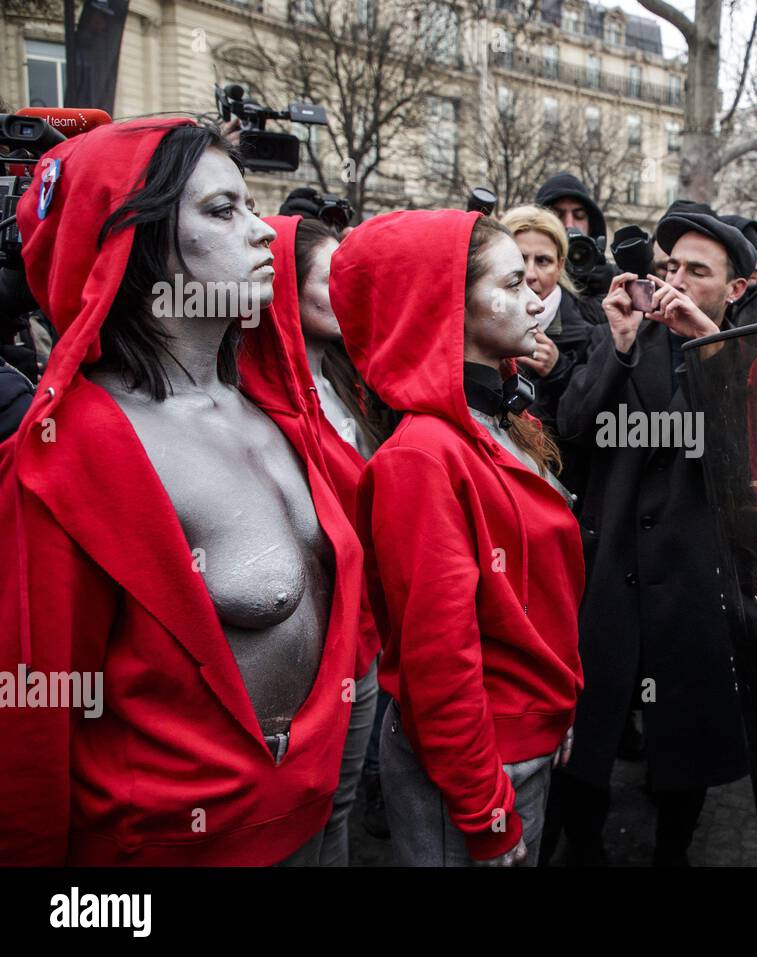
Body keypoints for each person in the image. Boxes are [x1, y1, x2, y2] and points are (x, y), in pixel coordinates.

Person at [0, 118, 364, 864]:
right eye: (222, 211)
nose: (266, 233)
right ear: (130, 243)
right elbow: (30, 728)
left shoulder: (275, 408)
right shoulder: (66, 457)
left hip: (316, 824)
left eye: (251, 204)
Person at [330, 209, 583, 866]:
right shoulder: (423, 456)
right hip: (477, 769)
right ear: (446, 303)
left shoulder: (501, 416)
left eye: (533, 277)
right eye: (510, 282)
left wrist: (556, 708)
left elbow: (534, 600)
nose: (536, 298)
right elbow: (438, 658)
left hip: (520, 744)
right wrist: (482, 805)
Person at [545, 209, 756, 866]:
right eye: (668, 268)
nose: (676, 283)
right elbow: (573, 424)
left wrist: (713, 345)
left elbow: (747, 461)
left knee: (684, 748)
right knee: (587, 742)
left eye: (698, 271)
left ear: (736, 287)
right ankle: (584, 847)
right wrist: (621, 344)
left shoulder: (752, 353)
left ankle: (672, 852)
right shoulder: (624, 336)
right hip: (608, 573)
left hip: (691, 579)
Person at [254, 213, 382, 865]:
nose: (345, 290)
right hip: (307, 656)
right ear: (280, 286)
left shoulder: (345, 380)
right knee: (308, 819)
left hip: (362, 644)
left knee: (343, 805)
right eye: (328, 278)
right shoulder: (259, 407)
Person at [499, 204, 601, 502]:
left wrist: (559, 372)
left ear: (560, 265)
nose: (530, 274)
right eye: (519, 259)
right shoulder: (478, 325)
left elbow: (591, 429)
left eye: (542, 261)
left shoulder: (593, 330)